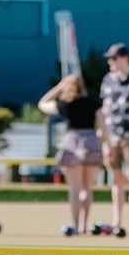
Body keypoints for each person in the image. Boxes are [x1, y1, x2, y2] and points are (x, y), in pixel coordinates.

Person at [38, 73, 101, 236]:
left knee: (75, 189)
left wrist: (59, 88)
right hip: (91, 142)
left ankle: (75, 225)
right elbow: (102, 124)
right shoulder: (93, 103)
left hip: (72, 141)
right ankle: (84, 225)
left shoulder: (65, 104)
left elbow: (42, 104)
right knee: (87, 188)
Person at [97, 43, 129, 236]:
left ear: (125, 58)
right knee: (116, 177)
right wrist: (104, 137)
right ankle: (117, 220)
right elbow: (105, 109)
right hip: (112, 136)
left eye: (114, 58)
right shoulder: (107, 80)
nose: (110, 62)